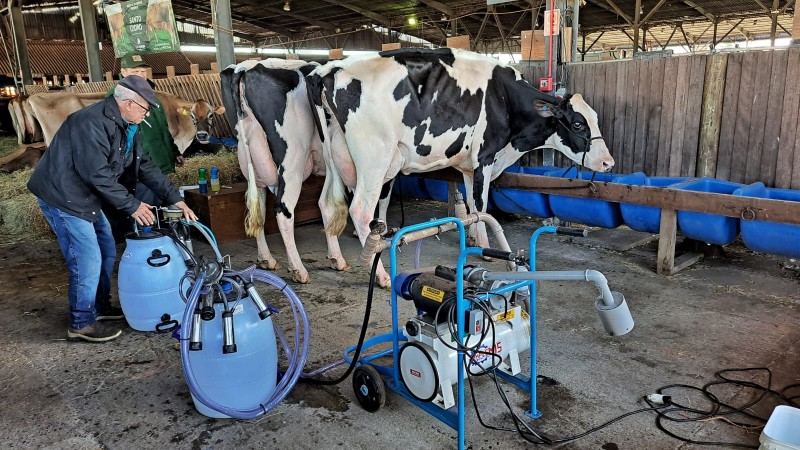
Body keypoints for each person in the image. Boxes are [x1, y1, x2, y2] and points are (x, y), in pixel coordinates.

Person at [27, 75, 199, 343]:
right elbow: (97, 174)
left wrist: (174, 198)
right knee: (86, 259)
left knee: (107, 249)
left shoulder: (130, 127)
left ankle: (100, 307)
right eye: (144, 107)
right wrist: (132, 205)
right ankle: (81, 322)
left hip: (86, 197)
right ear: (129, 103)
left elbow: (145, 167)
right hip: (64, 197)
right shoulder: (90, 122)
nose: (146, 113)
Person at [110, 54, 183, 207]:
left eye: (143, 71)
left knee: (161, 204)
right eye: (135, 72)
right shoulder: (117, 97)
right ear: (123, 72)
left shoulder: (151, 95)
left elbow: (162, 127)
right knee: (148, 207)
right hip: (141, 168)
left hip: (158, 163)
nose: (141, 76)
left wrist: (173, 152)